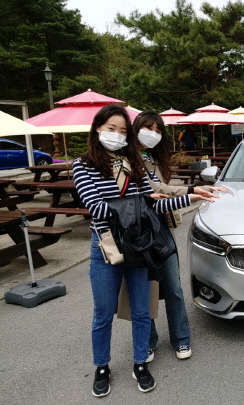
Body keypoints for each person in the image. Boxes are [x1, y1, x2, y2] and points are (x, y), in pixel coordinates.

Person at [73, 105, 201, 397]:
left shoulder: (136, 164)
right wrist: (141, 207)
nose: (116, 135)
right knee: (103, 313)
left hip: (140, 246)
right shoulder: (82, 165)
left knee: (143, 311)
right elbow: (97, 208)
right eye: (111, 129)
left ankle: (140, 363)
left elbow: (154, 207)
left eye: (122, 131)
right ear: (97, 129)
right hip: (105, 247)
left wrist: (192, 196)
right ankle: (101, 367)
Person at [131, 110, 226, 362]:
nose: (152, 133)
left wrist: (193, 190)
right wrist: (193, 190)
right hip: (139, 233)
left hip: (163, 228)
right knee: (146, 289)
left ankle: (181, 339)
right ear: (136, 128)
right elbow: (157, 190)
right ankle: (147, 341)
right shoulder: (128, 160)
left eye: (158, 129)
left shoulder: (155, 158)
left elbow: (162, 190)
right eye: (147, 127)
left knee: (173, 287)